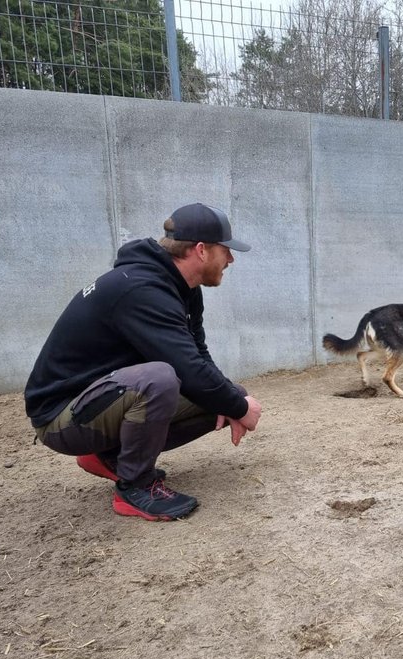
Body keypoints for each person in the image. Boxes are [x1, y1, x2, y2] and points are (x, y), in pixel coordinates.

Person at [24, 203, 263, 521]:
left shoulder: (181, 288)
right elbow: (187, 369)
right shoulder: (141, 289)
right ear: (202, 250)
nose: (231, 259)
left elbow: (197, 355)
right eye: (226, 251)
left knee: (227, 394)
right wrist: (241, 408)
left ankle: (107, 458)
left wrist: (234, 400)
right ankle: (135, 486)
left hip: (97, 403)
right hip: (59, 419)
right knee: (160, 378)